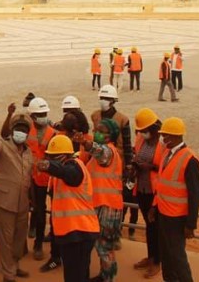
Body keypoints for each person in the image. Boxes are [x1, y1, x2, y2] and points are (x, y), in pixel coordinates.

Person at [37, 135, 99, 282]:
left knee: (74, 276)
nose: (49, 159)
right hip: (73, 232)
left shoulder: (74, 167)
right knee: (77, 275)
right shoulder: (63, 170)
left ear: (63, 156)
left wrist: (49, 166)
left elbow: (69, 174)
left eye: (52, 157)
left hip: (79, 232)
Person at [149, 117, 199, 282]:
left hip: (177, 218)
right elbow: (162, 184)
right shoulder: (166, 154)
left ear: (176, 136)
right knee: (166, 254)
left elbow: (195, 194)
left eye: (166, 135)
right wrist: (154, 206)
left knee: (177, 256)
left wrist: (191, 224)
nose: (163, 139)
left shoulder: (190, 160)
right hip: (163, 213)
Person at [0, 106, 33, 282]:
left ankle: (14, 264)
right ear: (12, 130)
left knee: (19, 238)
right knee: (6, 239)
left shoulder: (29, 152)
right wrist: (8, 114)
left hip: (22, 202)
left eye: (24, 130)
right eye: (18, 129)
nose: (20, 132)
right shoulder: (2, 146)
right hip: (4, 201)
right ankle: (8, 273)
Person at [79, 119, 123, 282]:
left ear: (109, 136)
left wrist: (86, 143)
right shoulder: (101, 153)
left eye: (101, 131)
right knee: (102, 246)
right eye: (96, 129)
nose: (96, 132)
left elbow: (99, 152)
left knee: (104, 247)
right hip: (101, 205)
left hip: (107, 208)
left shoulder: (109, 151)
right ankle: (105, 275)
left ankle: (107, 278)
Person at [91, 85, 135, 243]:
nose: (103, 101)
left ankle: (114, 234)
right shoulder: (95, 116)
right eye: (102, 98)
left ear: (113, 101)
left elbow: (128, 145)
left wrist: (129, 165)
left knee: (114, 200)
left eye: (107, 98)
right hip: (97, 163)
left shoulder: (123, 119)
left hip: (116, 164)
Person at [131, 108, 164, 278]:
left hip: (156, 193)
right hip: (142, 188)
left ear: (153, 129)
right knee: (149, 226)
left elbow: (166, 169)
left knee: (155, 227)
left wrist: (150, 167)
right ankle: (151, 257)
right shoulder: (140, 139)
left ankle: (157, 261)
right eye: (140, 131)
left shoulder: (164, 143)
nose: (141, 134)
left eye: (144, 131)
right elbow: (135, 153)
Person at [24, 96, 56, 260]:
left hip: (46, 178)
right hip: (28, 177)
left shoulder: (52, 132)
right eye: (40, 114)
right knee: (27, 209)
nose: (43, 116)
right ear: (32, 116)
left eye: (45, 113)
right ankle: (23, 243)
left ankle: (38, 245)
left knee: (41, 211)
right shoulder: (25, 130)